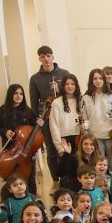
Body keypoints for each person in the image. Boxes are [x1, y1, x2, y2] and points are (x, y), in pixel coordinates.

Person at [29, 45, 71, 185]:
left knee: (65, 147)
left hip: (63, 116)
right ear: (39, 59)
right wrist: (38, 121)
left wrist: (58, 90)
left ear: (53, 56)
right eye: (42, 56)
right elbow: (34, 102)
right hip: (46, 117)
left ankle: (67, 178)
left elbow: (70, 94)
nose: (46, 59)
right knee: (51, 150)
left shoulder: (64, 74)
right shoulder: (35, 78)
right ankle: (55, 181)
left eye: (48, 55)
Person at [0, 84, 44, 194]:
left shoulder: (28, 111)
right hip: (11, 150)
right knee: (11, 177)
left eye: (21, 93)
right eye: (16, 93)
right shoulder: (1, 111)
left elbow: (36, 129)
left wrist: (40, 124)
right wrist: (5, 132)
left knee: (30, 178)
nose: (19, 96)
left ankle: (31, 198)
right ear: (10, 94)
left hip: (27, 151)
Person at [82, 68, 112, 168]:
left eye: (100, 78)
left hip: (111, 136)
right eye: (95, 78)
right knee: (99, 165)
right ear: (91, 81)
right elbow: (85, 118)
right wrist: (85, 125)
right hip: (95, 137)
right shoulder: (86, 98)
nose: (98, 81)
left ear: (104, 80)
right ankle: (101, 183)